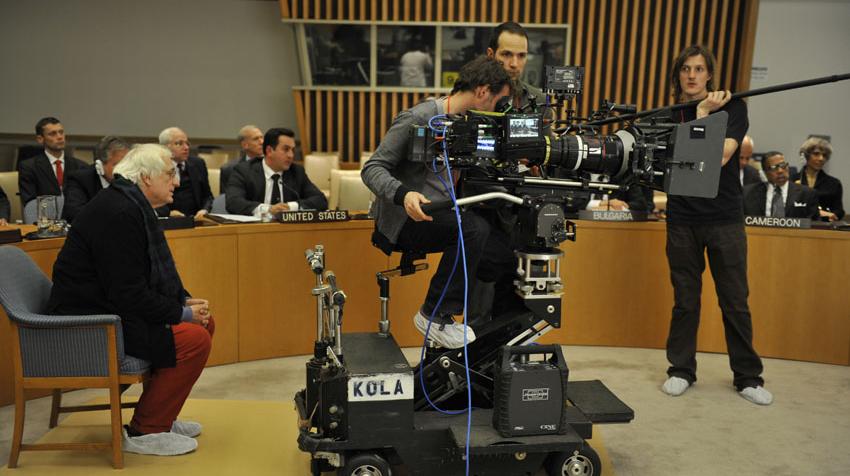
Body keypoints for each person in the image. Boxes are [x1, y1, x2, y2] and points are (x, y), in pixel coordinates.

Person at [47, 144, 214, 455]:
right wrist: (180, 314)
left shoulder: (128, 203)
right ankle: (144, 430)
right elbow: (128, 294)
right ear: (147, 178)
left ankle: (161, 416)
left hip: (111, 308)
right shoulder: (119, 212)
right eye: (169, 174)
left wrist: (182, 302)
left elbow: (144, 278)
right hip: (93, 322)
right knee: (194, 338)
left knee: (205, 324)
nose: (175, 182)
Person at [362, 56, 515, 349]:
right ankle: (435, 313)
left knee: (501, 256)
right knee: (474, 230)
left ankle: (492, 340)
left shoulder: (470, 124)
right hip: (409, 218)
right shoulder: (418, 118)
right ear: (483, 92)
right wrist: (404, 194)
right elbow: (372, 168)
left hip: (445, 214)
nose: (498, 110)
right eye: (498, 101)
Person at [662, 45, 772, 405]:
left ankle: (748, 377)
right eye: (685, 69)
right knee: (685, 301)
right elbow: (674, 162)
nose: (692, 75)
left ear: (710, 75)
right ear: (678, 75)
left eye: (698, 69)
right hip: (681, 219)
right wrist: (701, 111)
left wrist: (706, 112)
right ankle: (680, 370)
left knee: (735, 301)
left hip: (724, 218)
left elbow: (719, 155)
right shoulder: (668, 115)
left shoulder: (735, 108)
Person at [225, 127, 327, 216]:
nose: (291, 155)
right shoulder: (244, 171)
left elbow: (320, 200)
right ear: (269, 151)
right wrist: (268, 209)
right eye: (286, 149)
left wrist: (290, 207)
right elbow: (233, 202)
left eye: (293, 150)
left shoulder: (296, 172)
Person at [18, 117, 87, 206]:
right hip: (45, 217)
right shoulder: (29, 167)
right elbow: (30, 203)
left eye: (61, 132)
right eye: (52, 134)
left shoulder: (81, 166)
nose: (59, 137)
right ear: (40, 139)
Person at [62, 136, 130, 222]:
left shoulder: (131, 180)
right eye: (117, 165)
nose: (123, 170)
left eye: (126, 164)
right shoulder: (79, 179)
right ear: (100, 165)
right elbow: (74, 214)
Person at [157, 127, 214, 219]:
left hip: (196, 219)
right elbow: (150, 199)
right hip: (169, 220)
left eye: (187, 143)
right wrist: (168, 213)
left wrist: (205, 210)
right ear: (165, 147)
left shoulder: (198, 163)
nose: (186, 148)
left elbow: (208, 196)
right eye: (179, 143)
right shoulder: (157, 166)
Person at [743, 151, 818, 219]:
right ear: (765, 172)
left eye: (783, 166)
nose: (780, 171)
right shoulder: (748, 193)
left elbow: (816, 225)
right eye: (774, 168)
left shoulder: (807, 194)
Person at [796, 137, 844, 221]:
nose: (821, 158)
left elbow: (839, 211)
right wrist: (819, 212)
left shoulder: (834, 183)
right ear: (806, 156)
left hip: (824, 228)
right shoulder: (793, 179)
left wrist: (834, 215)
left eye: (824, 155)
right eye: (816, 154)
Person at [220, 125, 264, 193]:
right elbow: (226, 199)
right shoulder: (229, 169)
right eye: (256, 139)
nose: (262, 142)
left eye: (262, 137)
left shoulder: (274, 166)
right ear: (245, 145)